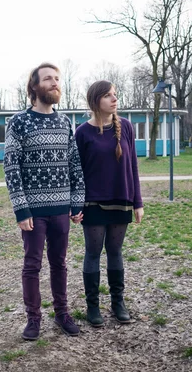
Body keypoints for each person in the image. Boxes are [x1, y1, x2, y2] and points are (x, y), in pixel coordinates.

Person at [3, 62, 85, 341]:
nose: (54, 83)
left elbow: (74, 164)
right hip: (33, 212)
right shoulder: (18, 122)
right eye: (48, 79)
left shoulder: (65, 123)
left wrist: (77, 202)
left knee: (59, 264)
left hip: (62, 209)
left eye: (57, 79)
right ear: (34, 86)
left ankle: (62, 313)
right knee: (32, 265)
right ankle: (33, 319)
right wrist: (21, 209)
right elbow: (11, 167)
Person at [74, 80, 144, 327]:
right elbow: (77, 172)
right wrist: (76, 206)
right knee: (93, 252)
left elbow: (133, 165)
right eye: (108, 96)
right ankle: (93, 307)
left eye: (115, 95)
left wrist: (138, 201)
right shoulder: (82, 132)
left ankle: (118, 302)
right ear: (96, 101)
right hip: (92, 203)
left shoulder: (125, 127)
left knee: (115, 251)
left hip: (121, 199)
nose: (114, 99)